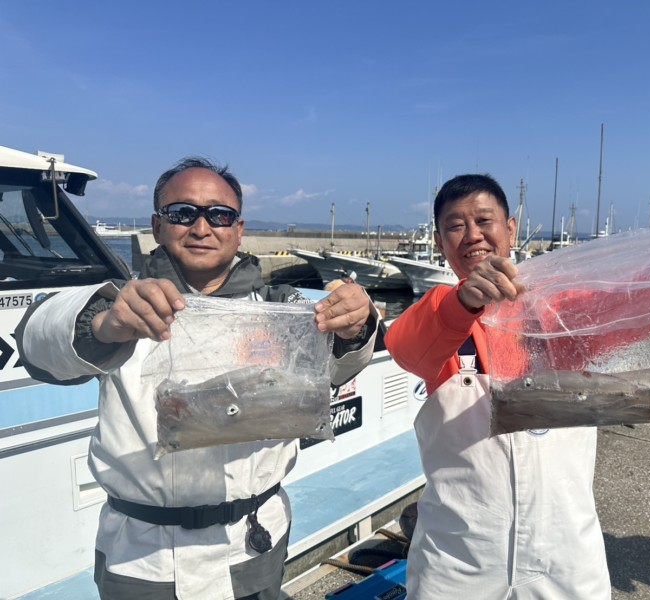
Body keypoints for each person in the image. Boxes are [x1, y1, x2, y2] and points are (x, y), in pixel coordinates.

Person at [15, 157, 379, 600]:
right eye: (182, 213)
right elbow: (37, 343)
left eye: (219, 215)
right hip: (143, 557)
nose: (201, 228)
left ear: (239, 230)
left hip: (252, 542)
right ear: (157, 225)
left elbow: (338, 369)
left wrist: (356, 324)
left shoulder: (282, 307)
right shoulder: (122, 304)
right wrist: (103, 325)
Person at [384, 174, 650, 599]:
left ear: (511, 228)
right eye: (455, 226)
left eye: (484, 220)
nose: (473, 234)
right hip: (459, 558)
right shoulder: (439, 314)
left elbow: (641, 302)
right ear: (440, 242)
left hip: (565, 551)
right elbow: (405, 348)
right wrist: (464, 301)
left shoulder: (562, 312)